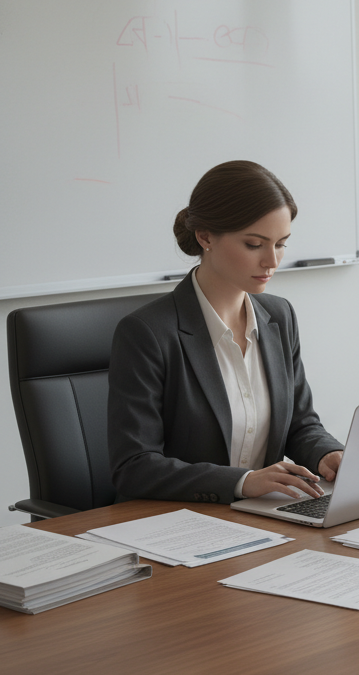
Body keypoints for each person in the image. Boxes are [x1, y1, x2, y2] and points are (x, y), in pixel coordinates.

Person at [108, 161, 345, 504]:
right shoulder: (146, 333)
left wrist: (328, 455)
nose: (272, 261)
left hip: (261, 517)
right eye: (254, 244)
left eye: (281, 244)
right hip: (181, 522)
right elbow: (133, 466)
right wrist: (243, 482)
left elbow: (300, 423)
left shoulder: (279, 316)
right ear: (205, 236)